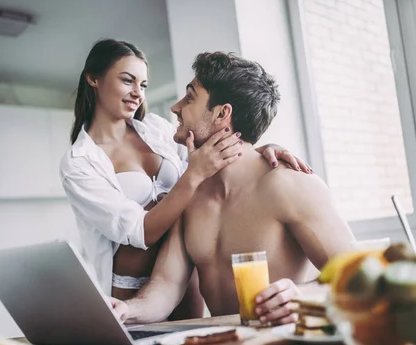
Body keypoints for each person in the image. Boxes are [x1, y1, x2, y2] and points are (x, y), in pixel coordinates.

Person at [60, 39, 312, 319]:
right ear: (93, 78)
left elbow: (210, 145)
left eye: (142, 85)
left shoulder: (155, 129)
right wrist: (192, 176)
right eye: (127, 80)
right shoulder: (79, 162)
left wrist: (257, 149)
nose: (137, 93)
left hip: (182, 263)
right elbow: (143, 231)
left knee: (190, 334)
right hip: (131, 280)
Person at [112, 52, 355, 325]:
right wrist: (126, 309)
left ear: (221, 114)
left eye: (190, 98)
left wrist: (302, 296)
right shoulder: (189, 198)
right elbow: (166, 286)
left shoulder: (289, 184)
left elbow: (359, 278)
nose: (176, 108)